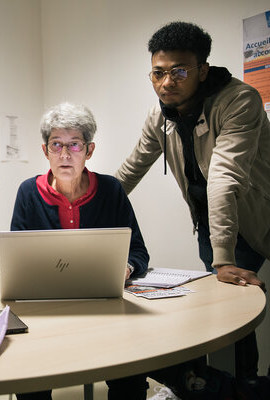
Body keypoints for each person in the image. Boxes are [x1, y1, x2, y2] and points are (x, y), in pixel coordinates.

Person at [115, 21, 270, 388]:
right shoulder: (161, 116)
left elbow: (224, 177)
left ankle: (244, 384)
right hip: (213, 224)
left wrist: (223, 258)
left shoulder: (239, 100)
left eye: (179, 72)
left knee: (236, 305)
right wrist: (87, 206)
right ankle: (239, 386)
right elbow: (130, 170)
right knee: (231, 315)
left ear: (202, 70)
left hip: (259, 213)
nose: (166, 82)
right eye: (158, 73)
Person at [12, 102, 149, 400]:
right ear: (44, 150)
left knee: (131, 380)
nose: (64, 154)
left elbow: (139, 252)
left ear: (89, 150)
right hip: (45, 310)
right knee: (29, 381)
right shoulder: (27, 192)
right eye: (56, 145)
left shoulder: (111, 190)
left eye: (74, 145)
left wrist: (125, 267)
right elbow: (16, 259)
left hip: (105, 307)